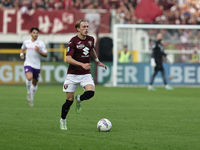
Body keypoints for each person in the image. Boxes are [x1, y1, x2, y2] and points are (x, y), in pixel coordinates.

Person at [60, 20, 107, 130]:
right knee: (68, 101)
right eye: (84, 27)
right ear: (78, 29)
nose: (86, 28)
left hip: (85, 74)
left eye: (87, 27)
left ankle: (80, 99)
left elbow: (91, 50)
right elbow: (67, 58)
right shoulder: (73, 41)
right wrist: (82, 64)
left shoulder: (91, 39)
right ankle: (63, 120)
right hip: (72, 75)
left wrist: (97, 60)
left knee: (90, 92)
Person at [20, 27, 48, 107]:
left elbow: (46, 55)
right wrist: (21, 54)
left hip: (37, 65)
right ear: (31, 33)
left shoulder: (41, 43)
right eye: (34, 33)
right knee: (29, 78)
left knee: (34, 83)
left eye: (37, 33)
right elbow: (22, 48)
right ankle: (28, 92)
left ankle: (31, 98)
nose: (36, 34)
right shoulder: (26, 42)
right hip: (28, 63)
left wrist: (39, 51)